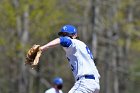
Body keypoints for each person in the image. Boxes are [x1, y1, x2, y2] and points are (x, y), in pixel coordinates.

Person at [40, 24, 100, 93]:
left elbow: (62, 40)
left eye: (66, 35)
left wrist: (42, 48)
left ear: (75, 35)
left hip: (85, 83)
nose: (64, 37)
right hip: (94, 84)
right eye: (62, 34)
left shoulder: (74, 43)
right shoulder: (81, 46)